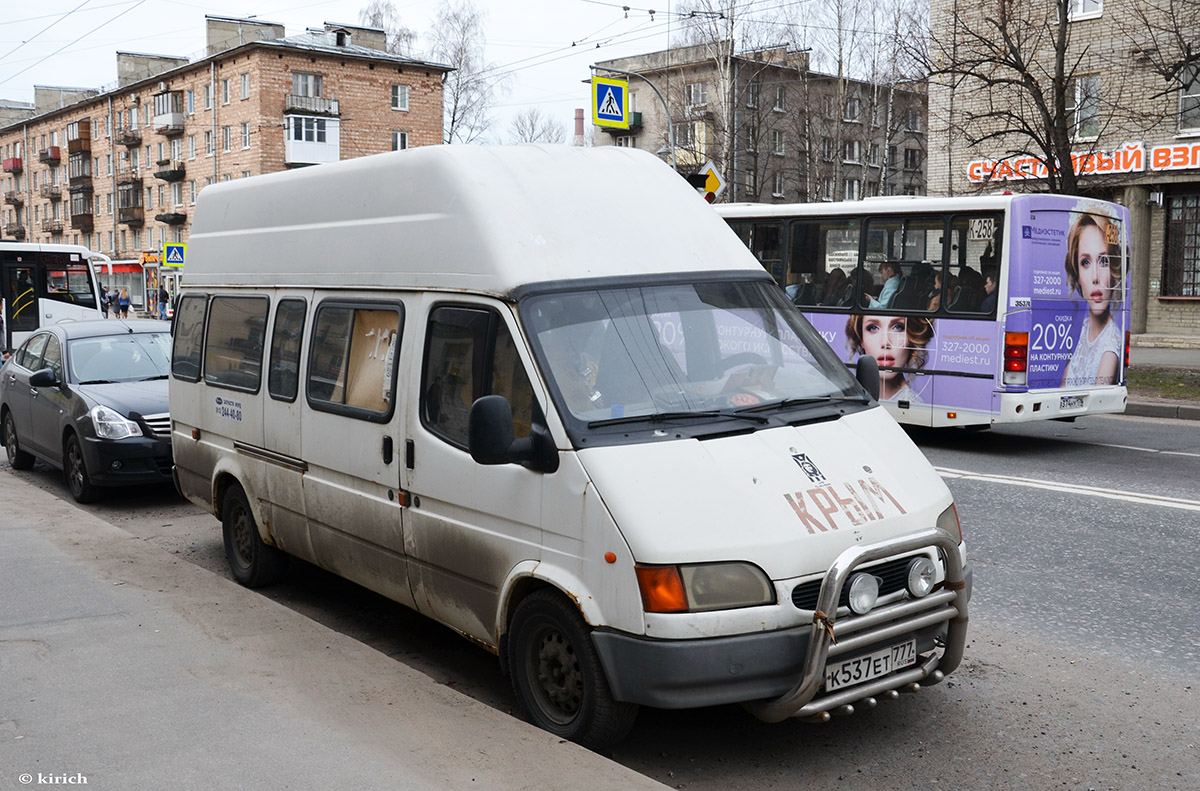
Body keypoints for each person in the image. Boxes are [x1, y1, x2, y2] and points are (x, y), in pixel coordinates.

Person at [1062, 208, 1123, 387]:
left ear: (1114, 269)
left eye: (1103, 261)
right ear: (1078, 274)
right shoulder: (1080, 330)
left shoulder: (1109, 349)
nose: (1095, 277)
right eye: (1086, 262)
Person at [846, 313, 934, 402]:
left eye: (897, 327)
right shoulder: (844, 397)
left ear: (911, 338)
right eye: (873, 328)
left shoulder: (915, 407)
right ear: (862, 341)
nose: (885, 343)